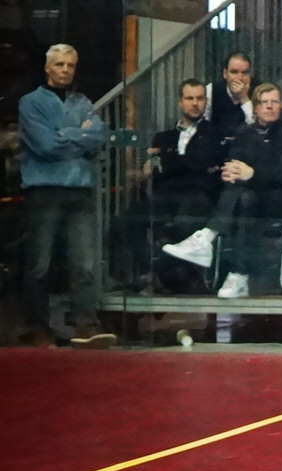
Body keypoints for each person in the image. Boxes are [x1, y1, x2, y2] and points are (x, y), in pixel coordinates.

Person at [163, 83, 282, 298]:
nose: (269, 106)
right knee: (243, 197)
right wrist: (230, 173)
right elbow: (233, 162)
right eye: (264, 102)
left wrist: (253, 173)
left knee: (242, 196)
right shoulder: (244, 133)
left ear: (281, 105)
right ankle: (237, 274)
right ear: (255, 107)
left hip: (280, 200)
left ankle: (209, 240)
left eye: (274, 102)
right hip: (248, 199)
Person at [20, 43, 112, 347]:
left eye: (70, 65)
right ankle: (38, 326)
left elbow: (97, 138)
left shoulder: (82, 101)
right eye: (59, 64)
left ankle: (85, 324)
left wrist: (65, 135)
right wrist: (79, 134)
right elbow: (45, 146)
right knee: (40, 263)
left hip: (79, 189)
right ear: (47, 67)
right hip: (44, 190)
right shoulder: (30, 103)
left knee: (84, 262)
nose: (65, 70)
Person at [124, 79, 227, 284]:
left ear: (205, 102)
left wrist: (165, 158)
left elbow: (198, 162)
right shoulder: (163, 137)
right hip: (166, 195)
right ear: (180, 102)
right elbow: (164, 171)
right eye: (189, 98)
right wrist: (166, 161)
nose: (195, 103)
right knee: (125, 221)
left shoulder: (214, 133)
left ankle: (168, 275)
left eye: (200, 98)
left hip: (198, 196)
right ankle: (151, 268)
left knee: (181, 222)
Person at [206, 51, 254, 139]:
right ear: (225, 74)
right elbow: (203, 125)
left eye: (245, 72)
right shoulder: (211, 90)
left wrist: (244, 98)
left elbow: (257, 127)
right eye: (234, 72)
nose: (240, 78)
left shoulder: (258, 90)